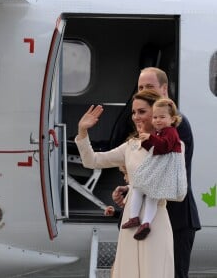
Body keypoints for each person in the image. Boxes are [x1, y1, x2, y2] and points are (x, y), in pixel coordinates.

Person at [112, 67, 201, 278]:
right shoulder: (145, 126)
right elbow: (145, 169)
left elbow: (164, 171)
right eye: (140, 87)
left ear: (164, 90)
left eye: (150, 87)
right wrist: (130, 188)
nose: (143, 91)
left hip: (174, 219)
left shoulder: (175, 125)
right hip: (147, 219)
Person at [76, 90, 174, 277]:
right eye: (134, 112)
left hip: (154, 221)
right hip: (131, 221)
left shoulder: (172, 145)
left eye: (141, 112)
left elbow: (171, 187)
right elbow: (92, 161)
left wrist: (134, 187)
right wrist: (82, 132)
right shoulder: (131, 146)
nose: (136, 117)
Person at [122, 98, 187, 241]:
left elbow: (164, 146)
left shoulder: (170, 132)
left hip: (163, 168)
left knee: (142, 190)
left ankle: (139, 220)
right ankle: (142, 221)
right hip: (159, 166)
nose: (158, 120)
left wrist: (150, 138)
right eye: (155, 117)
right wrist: (145, 141)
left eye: (162, 117)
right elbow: (154, 148)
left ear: (172, 119)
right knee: (146, 193)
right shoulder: (160, 132)